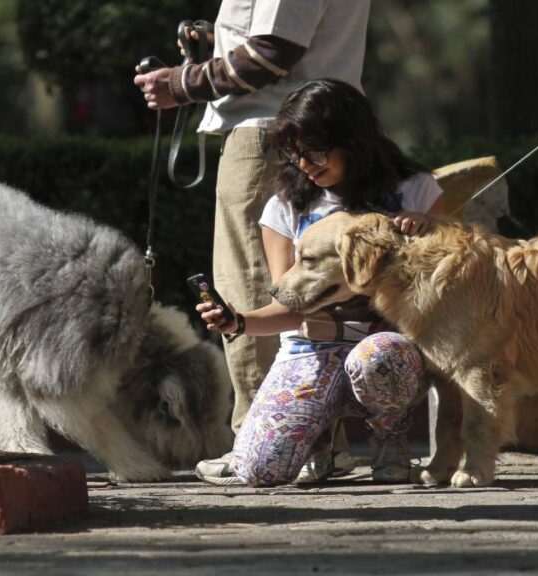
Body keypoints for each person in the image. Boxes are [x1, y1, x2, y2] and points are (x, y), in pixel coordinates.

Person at [133, 1, 371, 483]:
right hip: (318, 130)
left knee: (249, 288)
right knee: (307, 289)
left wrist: (182, 83)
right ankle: (317, 445)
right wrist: (217, 45)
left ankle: (263, 440)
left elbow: (270, 53)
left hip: (271, 132)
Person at [198, 79, 444, 486]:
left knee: (380, 355)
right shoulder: (283, 206)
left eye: (313, 151)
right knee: (260, 471)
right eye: (293, 153)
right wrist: (237, 321)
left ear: (353, 142)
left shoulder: (417, 190)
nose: (303, 164)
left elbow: (445, 288)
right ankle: (316, 443)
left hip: (385, 350)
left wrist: (431, 231)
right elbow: (290, 304)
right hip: (310, 350)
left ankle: (390, 436)